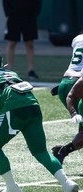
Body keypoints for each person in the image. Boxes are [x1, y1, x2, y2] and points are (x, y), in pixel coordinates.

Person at [0, 48, 79, 192]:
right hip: (33, 105)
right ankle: (67, 183)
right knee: (40, 151)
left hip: (14, 106)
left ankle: (11, 187)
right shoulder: (11, 73)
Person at [51, 34, 83, 164]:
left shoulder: (78, 38)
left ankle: (64, 150)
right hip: (78, 85)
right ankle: (64, 150)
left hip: (66, 81)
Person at [2, 0, 42, 80]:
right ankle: (9, 69)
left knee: (30, 44)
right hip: (13, 16)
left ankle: (31, 70)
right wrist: (8, 13)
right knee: (12, 43)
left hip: (29, 17)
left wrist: (35, 13)